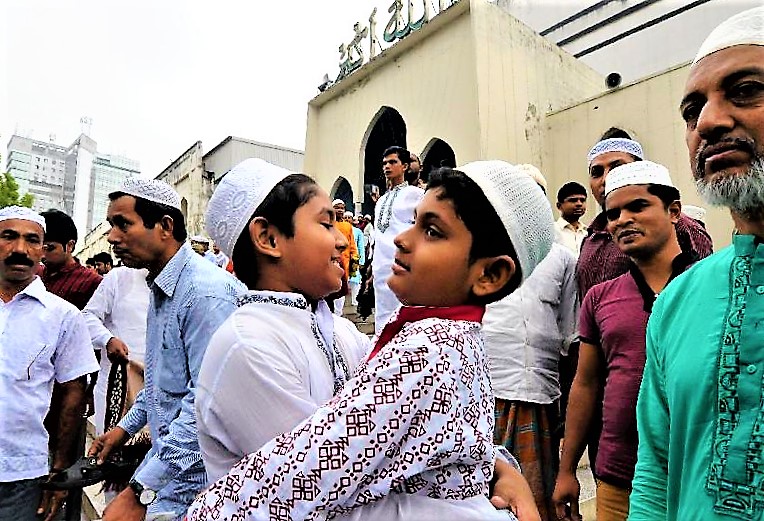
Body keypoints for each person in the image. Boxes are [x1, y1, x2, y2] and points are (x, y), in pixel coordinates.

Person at [186, 160, 553, 521]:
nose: (342, 239)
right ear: (268, 239)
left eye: (431, 230)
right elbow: (315, 487)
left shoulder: (365, 336)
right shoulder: (248, 345)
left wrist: (492, 468)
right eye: (327, 223)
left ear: (490, 274)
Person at [629, 8, 764, 520]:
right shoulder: (678, 301)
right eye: (691, 111)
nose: (707, 122)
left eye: (746, 90)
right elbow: (657, 472)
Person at [87, 177, 246, 521]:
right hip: (172, 476)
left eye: (123, 224)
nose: (113, 237)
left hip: (200, 484)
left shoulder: (204, 293)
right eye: (112, 225)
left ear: (165, 227)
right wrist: (124, 429)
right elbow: (162, 382)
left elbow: (203, 404)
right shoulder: (162, 286)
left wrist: (139, 490)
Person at [553, 161, 694, 521]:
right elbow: (585, 384)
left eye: (638, 206)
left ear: (673, 211)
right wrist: (568, 469)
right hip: (618, 476)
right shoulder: (600, 298)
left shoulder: (710, 285)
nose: (622, 220)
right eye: (613, 213)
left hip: (696, 473)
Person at [486, 169, 578, 521]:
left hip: (540, 394)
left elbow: (570, 336)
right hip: (487, 391)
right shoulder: (483, 256)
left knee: (538, 497)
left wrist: (567, 411)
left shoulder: (563, 259)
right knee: (485, 494)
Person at [0, 206, 98, 521]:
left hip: (23, 471)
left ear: (42, 250)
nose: (20, 249)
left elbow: (73, 393)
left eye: (31, 240)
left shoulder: (63, 316)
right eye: (8, 236)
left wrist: (59, 472)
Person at [82, 265, 150, 436]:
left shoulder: (182, 281)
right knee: (109, 452)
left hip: (160, 388)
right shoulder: (119, 277)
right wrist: (108, 340)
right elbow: (88, 317)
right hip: (116, 386)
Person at [372, 146, 425, 333]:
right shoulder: (380, 201)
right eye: (385, 163)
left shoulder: (415, 194)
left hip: (404, 265)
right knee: (382, 316)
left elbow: (423, 228)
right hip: (380, 267)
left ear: (404, 166)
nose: (387, 166)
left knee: (405, 314)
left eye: (393, 162)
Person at [40, 209, 102, 310]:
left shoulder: (92, 282)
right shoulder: (34, 274)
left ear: (70, 246)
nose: (42, 255)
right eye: (39, 247)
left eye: (49, 248)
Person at [331, 199, 358, 315]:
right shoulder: (328, 224)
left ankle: (339, 315)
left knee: (341, 292)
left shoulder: (348, 226)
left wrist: (353, 269)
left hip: (345, 266)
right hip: (331, 263)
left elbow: (353, 248)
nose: (340, 210)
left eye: (342, 208)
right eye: (337, 207)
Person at [554, 182, 588, 256]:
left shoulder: (588, 233)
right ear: (559, 206)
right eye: (573, 200)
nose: (579, 204)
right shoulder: (552, 231)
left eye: (582, 200)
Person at [347, 210, 366, 306]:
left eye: (348, 218)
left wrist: (361, 261)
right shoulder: (337, 229)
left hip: (354, 258)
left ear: (352, 219)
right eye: (345, 217)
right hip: (343, 258)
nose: (347, 219)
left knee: (355, 279)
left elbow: (361, 247)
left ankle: (355, 300)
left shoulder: (357, 231)